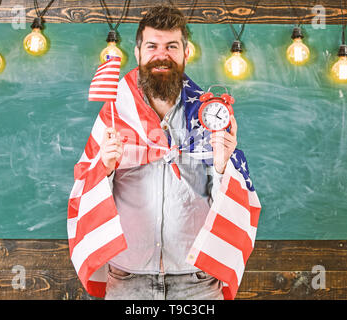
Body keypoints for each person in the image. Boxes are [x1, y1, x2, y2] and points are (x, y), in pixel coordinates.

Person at [99, 5, 238, 300]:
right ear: (138, 53)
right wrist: (105, 168)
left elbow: (230, 200)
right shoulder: (115, 113)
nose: (161, 55)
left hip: (197, 280)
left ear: (186, 53)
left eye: (171, 46)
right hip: (128, 278)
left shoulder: (208, 114)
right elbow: (89, 190)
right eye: (152, 46)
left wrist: (224, 166)